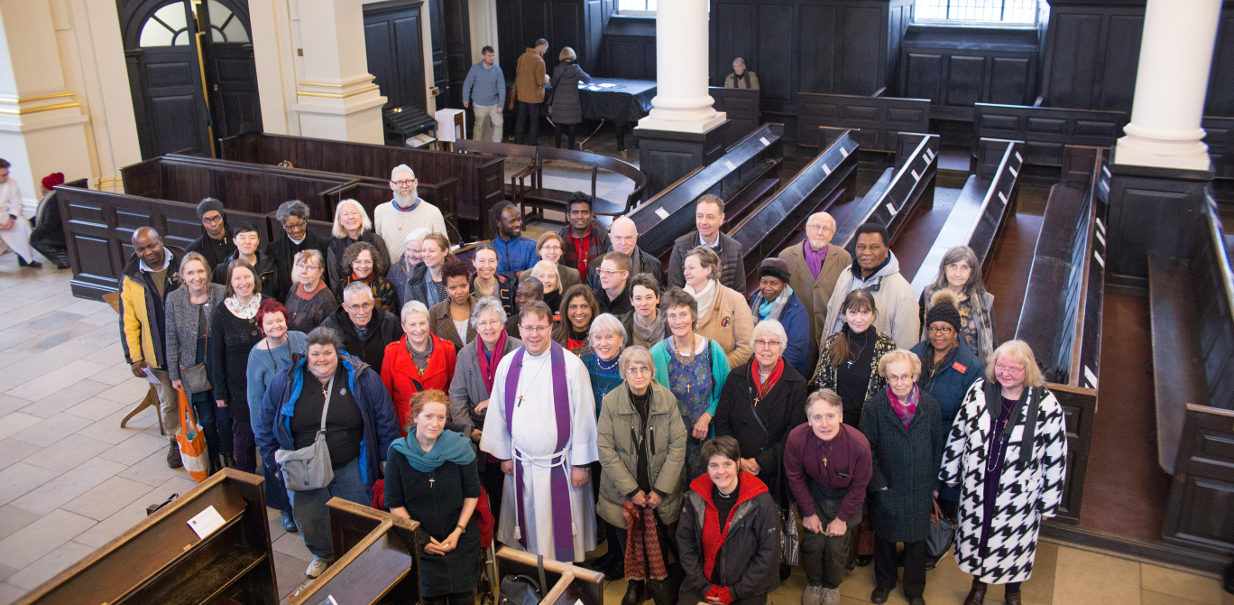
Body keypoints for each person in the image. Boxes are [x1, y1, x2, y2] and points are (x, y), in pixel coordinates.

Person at [254, 326, 399, 578]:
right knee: (310, 518)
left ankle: (359, 557)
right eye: (315, 354)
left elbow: (384, 417)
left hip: (352, 463)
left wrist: (386, 456)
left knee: (357, 513)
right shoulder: (286, 380)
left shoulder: (361, 377)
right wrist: (272, 462)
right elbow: (265, 423)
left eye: (328, 353)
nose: (322, 359)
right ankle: (323, 555)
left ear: (338, 353)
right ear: (306, 355)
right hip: (303, 468)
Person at [939, 341, 1067, 605]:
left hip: (1019, 492)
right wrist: (951, 471)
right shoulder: (979, 391)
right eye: (1000, 365)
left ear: (1027, 370)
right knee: (980, 537)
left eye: (1013, 368)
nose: (1005, 372)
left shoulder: (1046, 405)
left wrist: (1048, 500)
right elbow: (959, 432)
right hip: (980, 485)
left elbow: (1056, 456)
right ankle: (978, 587)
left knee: (1014, 544)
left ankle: (1012, 593)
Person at [479, 300, 599, 562]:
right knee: (528, 535)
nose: (534, 334)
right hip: (521, 465)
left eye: (540, 328)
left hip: (562, 466)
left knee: (561, 535)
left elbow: (584, 417)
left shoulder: (571, 365)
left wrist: (581, 464)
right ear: (519, 329)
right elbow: (499, 411)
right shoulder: (508, 365)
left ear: (551, 328)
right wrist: (504, 455)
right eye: (528, 328)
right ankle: (534, 578)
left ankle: (564, 581)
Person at [595, 345, 688, 605]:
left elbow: (678, 443)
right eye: (632, 369)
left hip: (659, 489)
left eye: (643, 368)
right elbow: (605, 448)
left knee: (661, 540)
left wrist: (661, 490)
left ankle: (659, 583)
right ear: (623, 373)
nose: (638, 375)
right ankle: (635, 584)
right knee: (628, 544)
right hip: (624, 493)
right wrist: (631, 491)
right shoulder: (611, 401)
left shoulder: (666, 399)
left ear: (652, 371)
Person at [859, 349, 944, 605]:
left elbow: (937, 446)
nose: (899, 382)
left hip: (920, 486)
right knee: (885, 537)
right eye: (893, 377)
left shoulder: (930, 406)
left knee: (917, 541)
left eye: (905, 376)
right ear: (886, 377)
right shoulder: (874, 407)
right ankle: (884, 583)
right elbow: (866, 449)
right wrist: (879, 484)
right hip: (888, 484)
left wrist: (934, 485)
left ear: (915, 376)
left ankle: (914, 589)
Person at [386, 390, 481, 605]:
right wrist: (421, 538)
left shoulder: (461, 449)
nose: (435, 423)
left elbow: (472, 494)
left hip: (460, 536)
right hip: (420, 538)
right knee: (431, 599)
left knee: (463, 597)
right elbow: (395, 503)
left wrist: (458, 531)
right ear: (415, 417)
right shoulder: (398, 453)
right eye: (428, 416)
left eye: (441, 417)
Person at [784, 390, 873, 605]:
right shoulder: (796, 439)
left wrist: (842, 519)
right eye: (817, 417)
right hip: (814, 493)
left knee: (836, 546)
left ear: (841, 417)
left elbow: (860, 486)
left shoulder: (859, 444)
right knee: (813, 542)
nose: (825, 424)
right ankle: (814, 583)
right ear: (808, 420)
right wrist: (808, 512)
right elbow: (795, 477)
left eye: (830, 416)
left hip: (846, 497)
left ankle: (831, 586)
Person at [714, 319, 807, 513]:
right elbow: (722, 421)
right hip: (737, 466)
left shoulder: (796, 383)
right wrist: (737, 459)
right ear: (753, 345)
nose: (766, 348)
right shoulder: (736, 377)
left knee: (769, 525)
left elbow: (794, 433)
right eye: (760, 342)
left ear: (782, 347)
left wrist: (761, 462)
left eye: (773, 343)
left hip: (773, 469)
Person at [910, 291, 983, 534]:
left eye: (946, 329)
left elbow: (974, 413)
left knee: (942, 504)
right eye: (934, 328)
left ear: (956, 332)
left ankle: (935, 547)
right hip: (915, 438)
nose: (939, 334)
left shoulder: (971, 366)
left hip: (948, 441)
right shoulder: (917, 353)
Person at [677, 436, 781, 605]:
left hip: (747, 587)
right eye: (714, 465)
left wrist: (734, 593)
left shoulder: (761, 500)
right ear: (707, 468)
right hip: (704, 583)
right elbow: (685, 543)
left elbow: (768, 553)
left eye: (727, 464)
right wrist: (704, 587)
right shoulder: (695, 497)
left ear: (738, 464)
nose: (721, 471)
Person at [448, 297, 521, 515]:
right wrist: (470, 430)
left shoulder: (519, 349)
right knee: (491, 489)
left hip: (514, 429)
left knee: (516, 492)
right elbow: (457, 395)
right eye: (482, 323)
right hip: (479, 433)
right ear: (475, 326)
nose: (488, 327)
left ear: (502, 322)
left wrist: (496, 401)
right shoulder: (465, 354)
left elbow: (527, 392)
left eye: (493, 321)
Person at [650, 288, 731, 482]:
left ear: (693, 316)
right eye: (672, 315)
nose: (678, 321)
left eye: (683, 314)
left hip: (708, 437)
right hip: (672, 440)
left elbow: (728, 392)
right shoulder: (657, 353)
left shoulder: (713, 350)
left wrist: (707, 416)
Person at [119, 227, 183, 467]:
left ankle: (202, 439)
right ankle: (175, 442)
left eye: (151, 246)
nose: (148, 252)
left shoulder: (181, 263)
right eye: (141, 249)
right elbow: (128, 321)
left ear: (161, 242)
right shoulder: (131, 277)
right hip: (158, 352)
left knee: (198, 398)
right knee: (169, 402)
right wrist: (134, 358)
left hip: (188, 350)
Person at [245, 299, 308, 533]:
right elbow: (255, 397)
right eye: (269, 322)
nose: (276, 326)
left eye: (279, 320)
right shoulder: (256, 356)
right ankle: (285, 509)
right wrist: (259, 432)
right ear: (261, 326)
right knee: (278, 465)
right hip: (275, 421)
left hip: (302, 413)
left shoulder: (301, 338)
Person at [165, 252, 227, 474]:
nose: (197, 277)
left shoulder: (221, 292)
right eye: (190, 272)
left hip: (219, 362)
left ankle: (228, 456)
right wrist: (174, 374)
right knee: (207, 419)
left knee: (224, 415)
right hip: (192, 366)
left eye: (200, 271)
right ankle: (213, 461)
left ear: (207, 272)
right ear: (182, 275)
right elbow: (171, 338)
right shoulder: (174, 300)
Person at [822, 223, 919, 349]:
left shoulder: (902, 292)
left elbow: (906, 345)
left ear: (886, 250)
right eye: (861, 247)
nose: (866, 252)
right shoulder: (846, 275)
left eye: (874, 247)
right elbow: (831, 318)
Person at [209, 259, 266, 473]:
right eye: (237, 278)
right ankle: (248, 485)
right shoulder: (222, 312)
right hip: (238, 389)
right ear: (231, 283)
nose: (243, 282)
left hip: (267, 385)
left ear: (255, 278)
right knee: (244, 439)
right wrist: (220, 392)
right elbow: (216, 354)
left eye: (247, 276)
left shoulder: (267, 304)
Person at [810, 290, 897, 429]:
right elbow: (822, 383)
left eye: (865, 312)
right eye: (853, 312)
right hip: (835, 421)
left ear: (873, 314)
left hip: (870, 422)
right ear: (844, 315)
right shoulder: (832, 343)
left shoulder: (886, 346)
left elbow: (888, 389)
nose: (859, 319)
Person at [778, 212, 851, 366]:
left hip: (829, 332)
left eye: (826, 228)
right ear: (807, 229)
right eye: (816, 227)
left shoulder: (844, 258)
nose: (820, 232)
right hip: (797, 334)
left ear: (832, 234)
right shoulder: (786, 257)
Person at [382, 300, 458, 432]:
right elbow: (386, 396)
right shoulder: (391, 352)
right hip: (405, 425)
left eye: (422, 323)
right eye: (412, 324)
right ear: (403, 327)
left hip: (438, 423)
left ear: (429, 323)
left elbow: (454, 389)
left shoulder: (447, 349)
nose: (418, 329)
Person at [918, 246, 996, 363]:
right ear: (945, 268)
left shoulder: (984, 300)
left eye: (964, 268)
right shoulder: (929, 294)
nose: (957, 273)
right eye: (953, 266)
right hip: (935, 364)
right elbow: (920, 331)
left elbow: (992, 341)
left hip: (971, 369)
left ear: (972, 272)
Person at [682, 245, 754, 368]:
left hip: (722, 379)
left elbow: (747, 347)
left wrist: (717, 369)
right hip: (683, 377)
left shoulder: (735, 300)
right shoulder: (676, 300)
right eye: (685, 268)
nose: (686, 272)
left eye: (691, 268)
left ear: (708, 269)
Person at [667, 194, 745, 292]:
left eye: (710, 217)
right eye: (700, 216)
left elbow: (740, 291)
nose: (704, 222)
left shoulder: (735, 248)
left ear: (721, 218)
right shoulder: (681, 246)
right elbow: (674, 290)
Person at [749, 258, 811, 378]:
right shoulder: (755, 301)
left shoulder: (796, 310)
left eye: (774, 283)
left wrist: (767, 370)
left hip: (785, 374)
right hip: (757, 368)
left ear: (784, 284)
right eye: (764, 282)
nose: (767, 288)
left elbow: (796, 352)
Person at [321, 282, 402, 370]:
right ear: (345, 307)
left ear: (372, 303)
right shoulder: (329, 328)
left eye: (365, 305)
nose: (362, 312)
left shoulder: (390, 323)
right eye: (355, 306)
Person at [374, 164, 447, 262]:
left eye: (408, 181)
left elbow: (444, 248)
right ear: (391, 185)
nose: (404, 186)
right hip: (391, 274)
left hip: (424, 273)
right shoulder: (380, 211)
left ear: (416, 182)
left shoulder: (433, 212)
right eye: (399, 182)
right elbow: (379, 248)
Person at [269, 200, 329, 301]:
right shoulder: (274, 249)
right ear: (283, 225)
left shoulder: (322, 244)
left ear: (305, 221)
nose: (296, 230)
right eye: (290, 226)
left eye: (300, 224)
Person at [327, 199, 390, 292]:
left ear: (361, 217)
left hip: (376, 291)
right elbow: (334, 278)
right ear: (340, 220)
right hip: (346, 293)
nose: (351, 217)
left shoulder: (376, 240)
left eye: (354, 213)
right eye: (346, 214)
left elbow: (385, 268)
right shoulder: (334, 245)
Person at [585, 216, 664, 288]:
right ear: (611, 238)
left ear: (636, 238)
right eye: (618, 238)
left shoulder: (654, 265)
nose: (623, 243)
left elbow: (661, 299)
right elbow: (590, 301)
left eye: (628, 238)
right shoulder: (594, 267)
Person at [213, 223, 283, 299]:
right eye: (242, 238)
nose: (247, 242)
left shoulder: (271, 268)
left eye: (252, 238)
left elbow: (280, 296)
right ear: (234, 241)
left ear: (258, 241)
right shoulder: (223, 269)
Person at [578, 313, 627, 416]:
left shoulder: (629, 365)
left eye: (609, 337)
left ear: (621, 339)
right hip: (589, 427)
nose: (603, 343)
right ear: (591, 340)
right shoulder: (584, 363)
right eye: (598, 337)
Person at [557, 192, 611, 277]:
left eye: (584, 212)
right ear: (568, 216)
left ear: (591, 215)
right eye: (575, 212)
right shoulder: (561, 238)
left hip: (598, 285)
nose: (580, 216)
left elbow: (611, 263)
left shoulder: (602, 235)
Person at [284, 249, 338, 333]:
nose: (303, 271)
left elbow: (329, 333)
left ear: (320, 271)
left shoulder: (326, 299)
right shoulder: (295, 287)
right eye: (301, 266)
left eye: (309, 267)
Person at [548, 46, 592, 150]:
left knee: (558, 125)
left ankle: (558, 148)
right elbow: (587, 79)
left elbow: (553, 84)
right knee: (571, 126)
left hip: (558, 101)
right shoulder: (576, 69)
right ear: (572, 56)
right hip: (572, 102)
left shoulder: (557, 69)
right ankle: (570, 149)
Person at [429, 257, 476, 351]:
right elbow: (432, 347)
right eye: (453, 288)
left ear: (469, 283)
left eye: (463, 286)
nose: (459, 292)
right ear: (446, 288)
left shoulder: (483, 307)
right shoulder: (434, 313)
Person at [462, 45, 506, 143]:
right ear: (483, 56)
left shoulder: (497, 70)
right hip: (479, 103)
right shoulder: (475, 69)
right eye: (489, 56)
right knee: (479, 126)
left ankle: (497, 147)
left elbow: (502, 88)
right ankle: (476, 148)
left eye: (492, 55)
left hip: (494, 103)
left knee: (499, 124)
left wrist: (501, 104)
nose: (491, 58)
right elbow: (467, 84)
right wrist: (465, 98)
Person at [0, 159, 39, 267]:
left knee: (22, 223)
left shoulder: (11, 182)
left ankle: (25, 258)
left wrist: (11, 219)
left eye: (7, 174)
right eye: (3, 175)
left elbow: (16, 202)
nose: (6, 177)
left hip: (6, 214)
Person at [513, 38, 550, 145]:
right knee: (534, 121)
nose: (545, 51)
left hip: (522, 95)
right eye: (546, 49)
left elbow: (517, 75)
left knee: (521, 120)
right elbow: (540, 81)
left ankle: (518, 142)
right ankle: (532, 143)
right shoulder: (539, 60)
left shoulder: (522, 57)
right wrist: (547, 78)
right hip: (533, 97)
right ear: (542, 46)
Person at [341, 240, 397, 312]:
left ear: (374, 263)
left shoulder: (385, 286)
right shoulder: (343, 285)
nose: (363, 266)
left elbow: (388, 317)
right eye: (358, 262)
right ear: (351, 263)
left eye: (367, 261)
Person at [30, 171, 70, 269]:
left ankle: (64, 260)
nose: (41, 189)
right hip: (65, 231)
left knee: (35, 240)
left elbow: (49, 224)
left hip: (62, 235)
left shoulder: (53, 201)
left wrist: (35, 233)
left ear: (47, 188)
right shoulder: (59, 196)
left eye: (42, 186)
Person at [186, 197, 235, 273]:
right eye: (207, 220)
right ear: (202, 222)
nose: (213, 224)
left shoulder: (238, 239)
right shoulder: (195, 249)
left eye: (216, 218)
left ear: (222, 217)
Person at [489, 201, 538, 274]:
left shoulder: (532, 246)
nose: (518, 224)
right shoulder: (488, 250)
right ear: (498, 223)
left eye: (519, 219)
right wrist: (516, 275)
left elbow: (533, 277)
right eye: (512, 221)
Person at [405, 233, 451, 308]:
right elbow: (409, 309)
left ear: (445, 252)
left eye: (432, 251)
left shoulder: (457, 274)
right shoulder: (414, 276)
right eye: (423, 250)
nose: (426, 255)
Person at [388, 228, 430, 311]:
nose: (410, 255)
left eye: (416, 251)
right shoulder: (395, 271)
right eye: (408, 250)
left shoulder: (436, 269)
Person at [470, 243, 516, 316]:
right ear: (474, 262)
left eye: (492, 261)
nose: (487, 266)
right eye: (482, 261)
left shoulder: (508, 285)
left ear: (497, 263)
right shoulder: (466, 287)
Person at [623, 273, 667, 348]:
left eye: (649, 297)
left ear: (658, 299)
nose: (644, 303)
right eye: (638, 298)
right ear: (631, 301)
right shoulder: (622, 326)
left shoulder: (671, 323)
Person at [554, 283, 600, 353]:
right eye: (573, 307)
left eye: (584, 306)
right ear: (566, 309)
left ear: (592, 309)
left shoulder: (602, 340)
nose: (579, 312)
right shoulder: (553, 338)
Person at [593, 251, 633, 316]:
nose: (603, 276)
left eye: (609, 272)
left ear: (624, 275)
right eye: (601, 271)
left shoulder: (635, 301)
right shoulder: (592, 299)